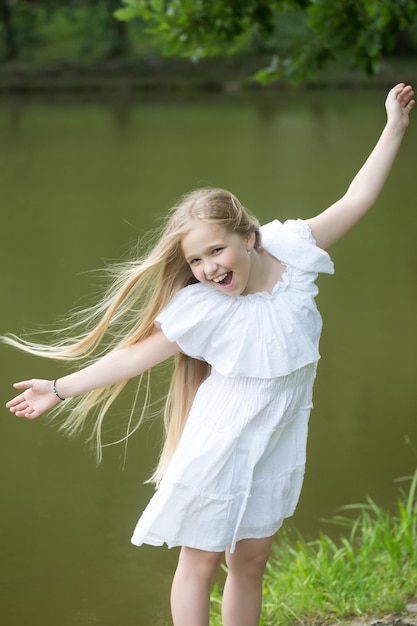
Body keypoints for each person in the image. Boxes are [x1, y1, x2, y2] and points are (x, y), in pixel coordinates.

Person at [4, 83, 414, 626]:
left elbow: (356, 199)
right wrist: (57, 389)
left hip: (279, 439)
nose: (207, 269)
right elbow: (134, 357)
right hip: (221, 441)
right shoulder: (203, 308)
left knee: (252, 558)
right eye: (196, 261)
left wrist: (394, 126)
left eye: (215, 250)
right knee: (198, 560)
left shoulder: (292, 250)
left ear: (249, 236)